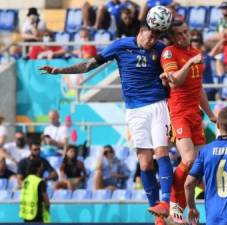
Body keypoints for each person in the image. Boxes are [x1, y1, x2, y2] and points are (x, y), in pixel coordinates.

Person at [40, 22, 174, 225]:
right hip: (135, 111)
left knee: (162, 153)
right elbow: (88, 65)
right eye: (151, 34)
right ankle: (157, 212)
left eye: (157, 35)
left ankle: (166, 202)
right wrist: (60, 71)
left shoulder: (161, 50)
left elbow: (173, 77)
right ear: (141, 31)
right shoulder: (120, 46)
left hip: (158, 105)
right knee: (145, 163)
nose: (153, 39)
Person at [160, 20, 216, 224]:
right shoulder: (169, 53)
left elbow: (198, 87)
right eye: (179, 34)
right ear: (172, 37)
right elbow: (175, 80)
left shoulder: (195, 52)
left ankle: (183, 211)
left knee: (203, 165)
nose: (184, 36)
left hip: (195, 115)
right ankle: (174, 203)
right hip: (178, 113)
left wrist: (209, 113)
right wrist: (190, 63)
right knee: (190, 159)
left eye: (185, 32)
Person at [19, 158, 50, 223]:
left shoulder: (26, 180)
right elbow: (47, 202)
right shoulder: (40, 182)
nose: (43, 168)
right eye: (41, 167)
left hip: (26, 214)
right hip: (37, 215)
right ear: (38, 169)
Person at [190, 29, 217, 101]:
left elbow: (202, 68)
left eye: (197, 40)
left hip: (207, 90)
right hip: (193, 91)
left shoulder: (204, 55)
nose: (195, 42)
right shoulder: (186, 55)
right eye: (193, 40)